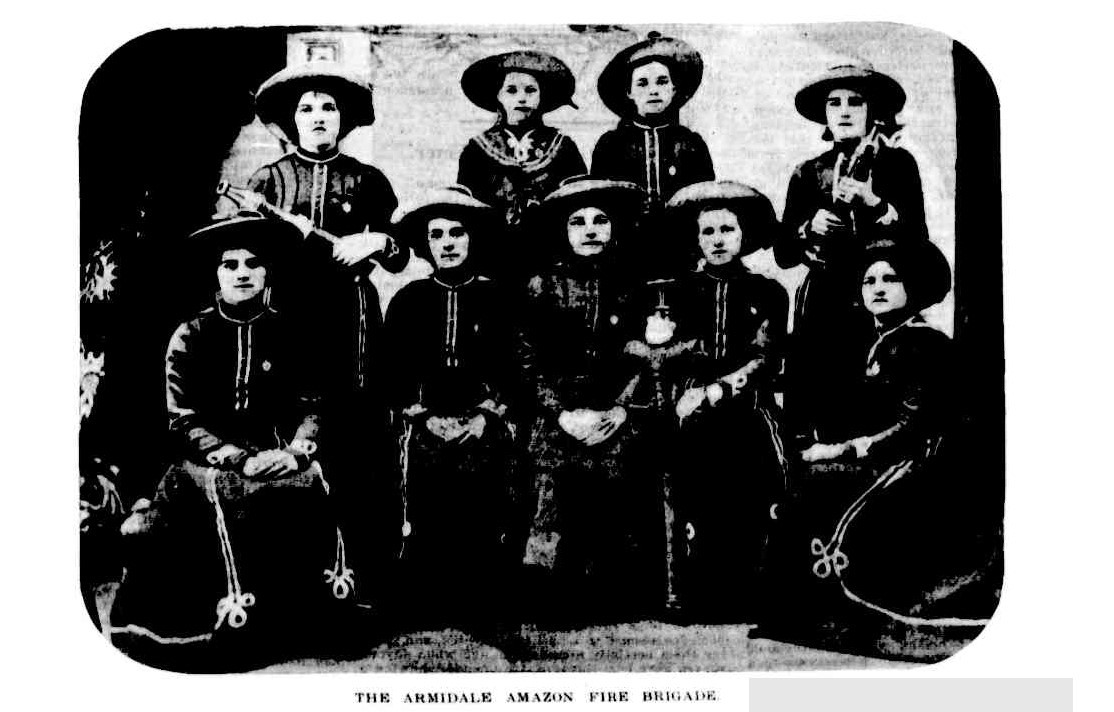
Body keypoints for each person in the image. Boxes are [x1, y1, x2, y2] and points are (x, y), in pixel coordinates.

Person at [109, 217, 348, 670]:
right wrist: (238, 458)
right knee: (232, 494)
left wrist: (296, 450)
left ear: (267, 272)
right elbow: (182, 419)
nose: (242, 272)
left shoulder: (291, 330)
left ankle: (298, 624)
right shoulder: (190, 334)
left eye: (253, 263)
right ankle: (228, 630)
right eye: (230, 264)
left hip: (275, 452)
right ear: (216, 273)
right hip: (201, 463)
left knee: (310, 484)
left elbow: (313, 404)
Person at [230, 61, 415, 605]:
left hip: (353, 326)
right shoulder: (265, 182)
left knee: (358, 446)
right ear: (290, 119)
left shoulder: (368, 180)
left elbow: (403, 254)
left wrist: (376, 243)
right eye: (306, 108)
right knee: (291, 438)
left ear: (345, 120)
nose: (317, 117)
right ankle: (291, 586)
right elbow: (247, 256)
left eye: (328, 108)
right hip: (286, 323)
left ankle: (364, 584)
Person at [761, 238, 995, 643]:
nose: (878, 288)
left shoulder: (925, 343)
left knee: (825, 481)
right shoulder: (878, 341)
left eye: (891, 278)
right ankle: (800, 611)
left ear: (915, 287)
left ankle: (840, 609)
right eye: (869, 281)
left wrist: (846, 448)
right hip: (885, 455)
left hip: (921, 462)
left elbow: (914, 423)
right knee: (802, 476)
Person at [383, 186, 524, 631]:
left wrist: (487, 415)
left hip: (483, 419)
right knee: (421, 479)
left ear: (473, 238)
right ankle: (427, 596)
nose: (447, 243)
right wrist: (424, 414)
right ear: (425, 244)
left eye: (457, 233)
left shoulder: (499, 297)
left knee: (488, 483)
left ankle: (484, 599)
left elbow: (516, 368)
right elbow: (392, 371)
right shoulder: (409, 300)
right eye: (437, 234)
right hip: (424, 420)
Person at [518, 176, 656, 622]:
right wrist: (559, 412)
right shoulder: (542, 285)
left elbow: (644, 355)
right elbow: (526, 358)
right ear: (563, 230)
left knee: (619, 491)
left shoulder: (634, 286)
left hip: (617, 413)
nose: (591, 229)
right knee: (551, 496)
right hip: (558, 415)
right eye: (578, 222)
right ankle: (549, 595)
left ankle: (614, 592)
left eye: (601, 220)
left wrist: (620, 409)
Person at [775, 63, 929, 448]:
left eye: (855, 102)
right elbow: (782, 254)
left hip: (876, 299)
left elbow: (918, 240)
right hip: (821, 302)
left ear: (872, 111)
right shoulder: (808, 173)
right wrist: (808, 227)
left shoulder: (897, 164)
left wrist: (873, 203)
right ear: (824, 114)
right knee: (814, 396)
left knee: (870, 398)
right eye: (835, 103)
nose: (844, 111)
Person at [656, 181, 789, 621]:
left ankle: (752, 592)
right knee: (684, 478)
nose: (717, 240)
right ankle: (686, 592)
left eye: (727, 230)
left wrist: (720, 388)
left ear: (743, 236)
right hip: (688, 401)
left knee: (756, 478)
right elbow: (664, 353)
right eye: (707, 231)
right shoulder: (674, 291)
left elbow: (763, 356)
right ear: (695, 238)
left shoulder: (767, 291)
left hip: (746, 404)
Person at [591, 33, 714, 279]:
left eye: (661, 81)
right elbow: (598, 202)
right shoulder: (611, 144)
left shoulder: (691, 144)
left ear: (674, 88)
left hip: (682, 253)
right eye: (642, 84)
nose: (653, 91)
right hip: (624, 255)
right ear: (628, 92)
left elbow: (706, 202)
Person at [457, 50, 587, 280]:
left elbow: (580, 205)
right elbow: (467, 214)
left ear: (541, 97)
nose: (522, 98)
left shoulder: (564, 148)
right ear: (497, 96)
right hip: (492, 264)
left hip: (551, 263)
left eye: (530, 90)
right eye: (511, 90)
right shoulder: (476, 151)